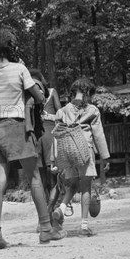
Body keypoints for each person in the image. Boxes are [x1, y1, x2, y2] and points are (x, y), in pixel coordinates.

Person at [0, 28, 66, 249]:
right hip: (16, 127)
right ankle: (46, 229)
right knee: (35, 178)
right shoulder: (20, 68)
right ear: (12, 47)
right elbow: (40, 96)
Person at [50, 77, 110, 237]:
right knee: (85, 187)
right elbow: (99, 135)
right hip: (85, 149)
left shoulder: (62, 111)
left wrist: (54, 159)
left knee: (72, 185)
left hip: (67, 150)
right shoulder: (92, 110)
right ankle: (84, 226)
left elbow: (55, 135)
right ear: (88, 93)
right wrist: (105, 156)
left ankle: (61, 208)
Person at [28, 69, 62, 203]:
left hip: (36, 136)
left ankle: (44, 208)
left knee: (39, 175)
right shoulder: (52, 92)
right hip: (50, 133)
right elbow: (60, 112)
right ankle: (54, 205)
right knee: (53, 172)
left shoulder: (29, 95)